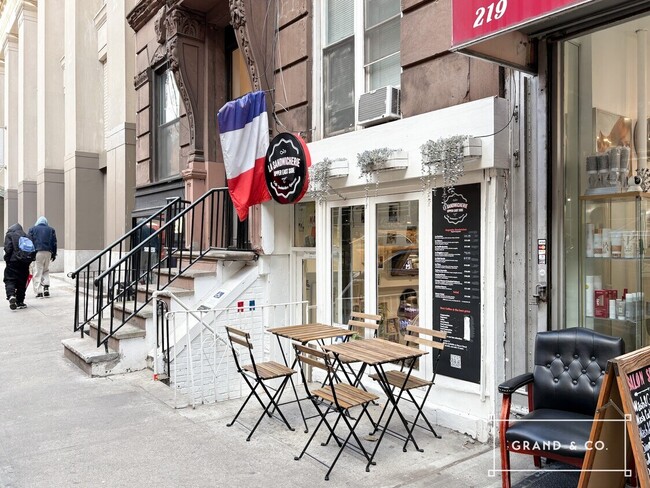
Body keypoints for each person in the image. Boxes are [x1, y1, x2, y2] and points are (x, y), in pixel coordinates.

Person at [3, 223, 34, 310]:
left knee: (10, 280)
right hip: (24, 262)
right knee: (22, 282)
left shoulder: (10, 235)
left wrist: (7, 259)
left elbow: (8, 249)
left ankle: (11, 295)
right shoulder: (26, 235)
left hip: (12, 262)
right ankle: (20, 302)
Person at [28, 216, 57, 298]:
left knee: (37, 271)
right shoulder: (51, 229)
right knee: (45, 270)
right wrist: (54, 254)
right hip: (48, 252)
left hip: (37, 252)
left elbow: (30, 242)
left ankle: (39, 292)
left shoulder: (32, 229)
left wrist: (30, 255)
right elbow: (54, 243)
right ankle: (46, 287)